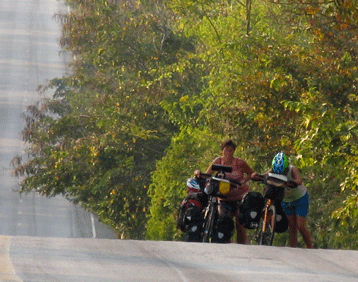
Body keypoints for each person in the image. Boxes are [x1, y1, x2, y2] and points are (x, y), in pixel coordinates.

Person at [195, 139, 254, 244]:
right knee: (223, 222)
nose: (228, 153)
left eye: (231, 151)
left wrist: (243, 181)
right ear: (222, 151)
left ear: (234, 152)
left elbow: (251, 173)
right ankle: (224, 243)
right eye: (226, 150)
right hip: (223, 197)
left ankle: (242, 247)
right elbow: (208, 174)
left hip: (239, 197)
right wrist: (198, 173)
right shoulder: (218, 161)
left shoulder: (239, 163)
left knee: (239, 224)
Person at [254, 152, 313, 248]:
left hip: (300, 198)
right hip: (286, 200)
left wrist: (289, 182)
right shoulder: (273, 170)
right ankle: (293, 248)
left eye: (282, 172)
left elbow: (299, 181)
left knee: (300, 226)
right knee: (292, 226)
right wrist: (256, 176)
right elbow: (266, 175)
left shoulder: (292, 169)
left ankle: (310, 248)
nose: (280, 174)